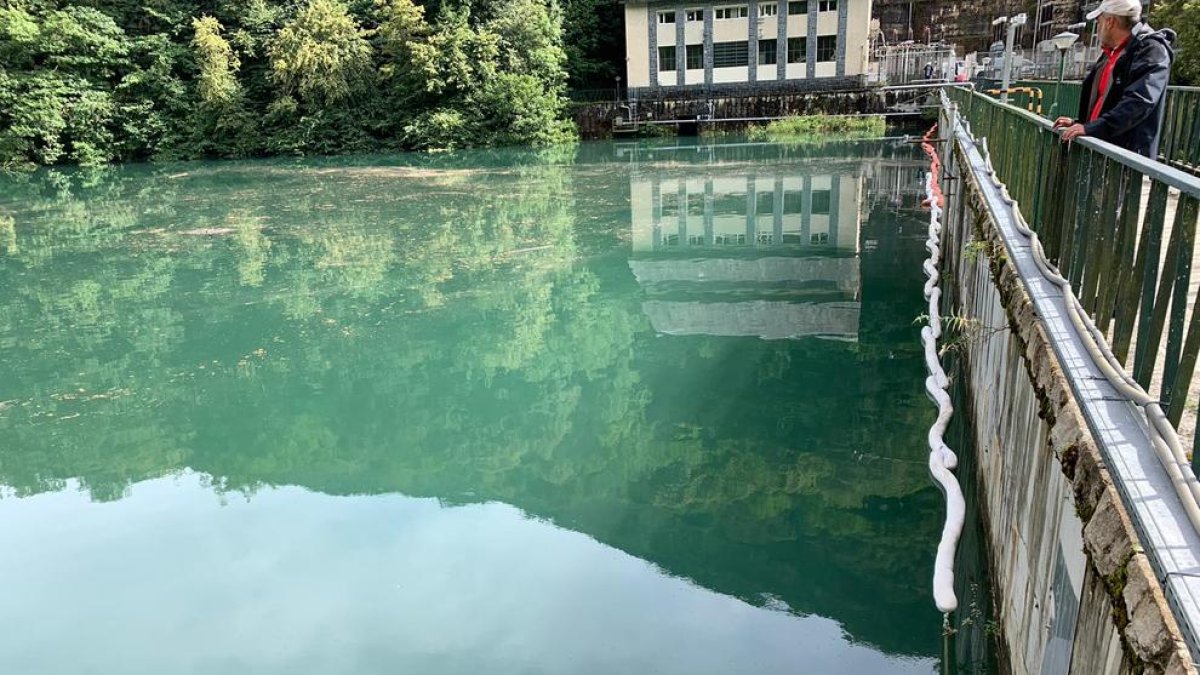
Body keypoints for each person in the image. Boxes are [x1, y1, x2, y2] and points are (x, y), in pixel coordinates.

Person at [1052, 0, 1176, 157]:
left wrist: (1093, 128)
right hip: (1100, 151)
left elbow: (1139, 102)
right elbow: (1106, 99)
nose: (1097, 27)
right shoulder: (1111, 52)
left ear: (1110, 21)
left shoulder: (1151, 50)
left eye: (1099, 20)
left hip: (1125, 159)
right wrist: (1083, 124)